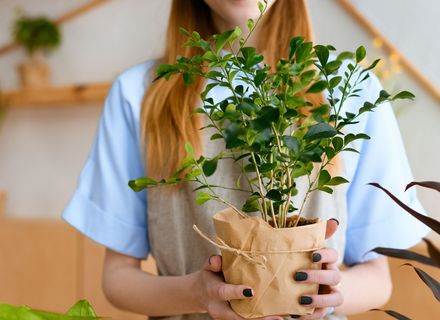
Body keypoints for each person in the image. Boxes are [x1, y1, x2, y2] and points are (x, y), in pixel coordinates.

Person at [62, 1, 429, 319]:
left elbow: (378, 277)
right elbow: (118, 279)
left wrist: (333, 292)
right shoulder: (141, 94)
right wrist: (198, 294)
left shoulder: (350, 90)